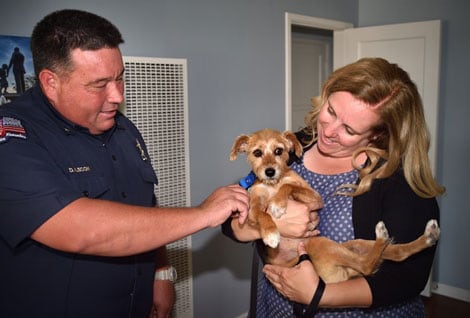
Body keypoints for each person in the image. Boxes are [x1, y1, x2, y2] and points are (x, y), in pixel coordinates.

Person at [0, 9, 249, 318]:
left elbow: (145, 208)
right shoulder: (13, 136)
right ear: (51, 82)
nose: (117, 95)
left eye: (120, 78)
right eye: (99, 84)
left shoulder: (122, 128)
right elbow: (76, 228)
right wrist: (202, 214)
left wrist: (162, 273)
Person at [223, 57, 445, 317]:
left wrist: (318, 295)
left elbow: (409, 278)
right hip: (278, 308)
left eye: (349, 129)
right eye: (331, 111)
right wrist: (267, 225)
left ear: (377, 135)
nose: (328, 131)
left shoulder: (398, 179)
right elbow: (230, 220)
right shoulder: (294, 145)